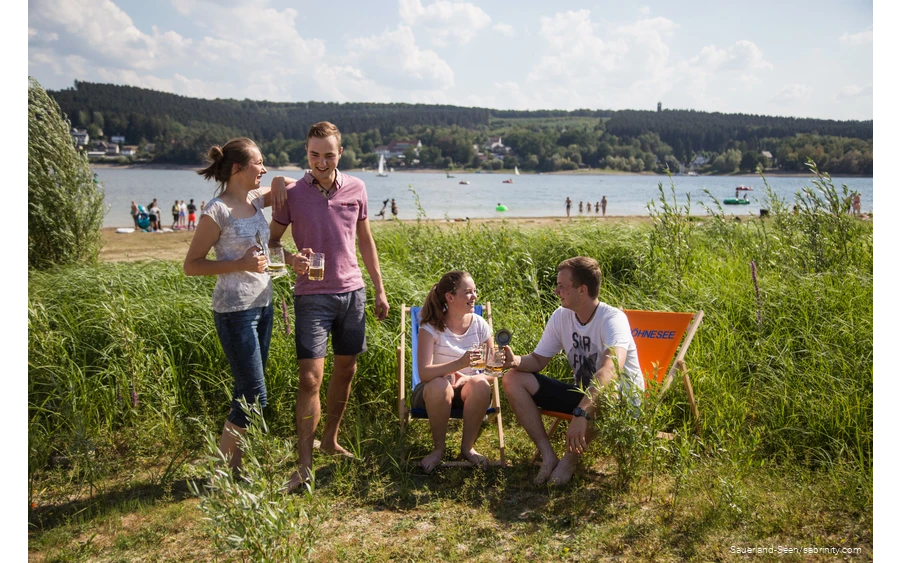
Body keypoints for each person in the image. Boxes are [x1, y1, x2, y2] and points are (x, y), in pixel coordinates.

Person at [268, 121, 390, 493]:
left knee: (346, 371)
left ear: (341, 154)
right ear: (306, 153)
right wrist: (291, 261)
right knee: (310, 379)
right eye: (314, 155)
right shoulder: (292, 192)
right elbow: (270, 246)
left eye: (329, 155)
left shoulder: (357, 188)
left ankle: (331, 439)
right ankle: (304, 465)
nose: (321, 162)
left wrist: (380, 289)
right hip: (311, 298)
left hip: (353, 293)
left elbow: (365, 241)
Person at [183, 137, 286, 475]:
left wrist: (279, 181)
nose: (264, 167)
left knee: (247, 391)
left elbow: (295, 186)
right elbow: (192, 264)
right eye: (260, 163)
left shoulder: (255, 199)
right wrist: (239, 264)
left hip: (264, 306)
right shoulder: (218, 211)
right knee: (255, 396)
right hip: (234, 313)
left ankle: (231, 470)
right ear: (239, 168)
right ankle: (224, 475)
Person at [500, 256, 642, 486]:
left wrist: (581, 413)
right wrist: (514, 360)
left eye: (562, 286)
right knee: (513, 378)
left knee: (607, 394)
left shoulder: (613, 320)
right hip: (583, 396)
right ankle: (548, 456)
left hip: (618, 400)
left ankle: (569, 459)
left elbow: (610, 369)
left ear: (582, 290)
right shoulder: (561, 316)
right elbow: (537, 360)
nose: (556, 291)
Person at [414, 271, 496, 473]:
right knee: (440, 385)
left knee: (480, 384)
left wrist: (469, 377)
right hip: (431, 393)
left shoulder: (480, 325)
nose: (474, 296)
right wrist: (459, 364)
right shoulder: (430, 327)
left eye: (475, 291)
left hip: (465, 391)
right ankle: (438, 449)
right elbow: (424, 373)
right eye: (468, 292)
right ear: (450, 297)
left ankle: (467, 448)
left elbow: (494, 369)